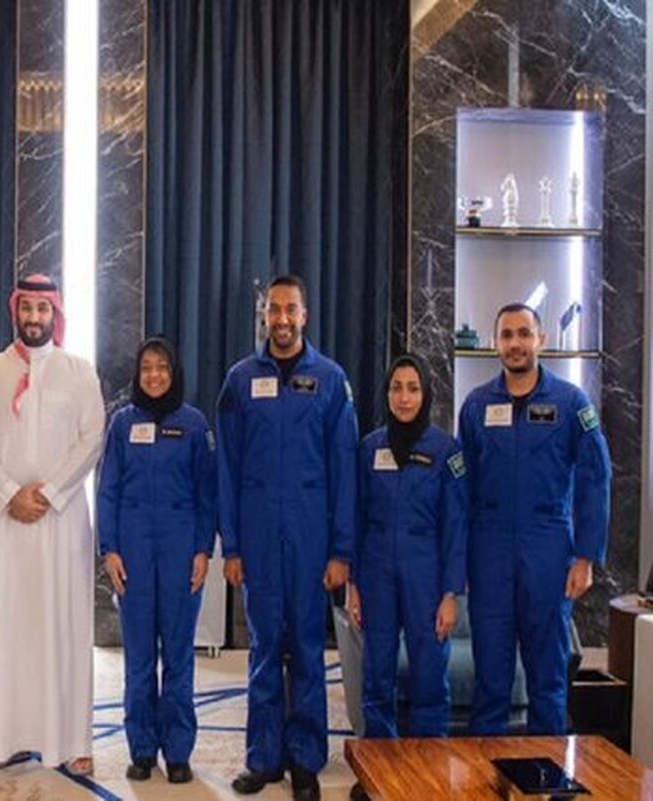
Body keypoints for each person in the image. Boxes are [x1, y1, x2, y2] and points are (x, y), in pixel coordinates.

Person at [216, 275, 357, 801]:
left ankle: (304, 761)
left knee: (306, 650)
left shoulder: (330, 380)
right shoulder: (240, 380)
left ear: (304, 316)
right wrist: (231, 545)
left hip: (310, 539)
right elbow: (226, 469)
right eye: (273, 309)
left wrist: (341, 550)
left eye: (290, 309)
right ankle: (263, 757)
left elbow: (345, 470)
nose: (281, 318)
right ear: (264, 316)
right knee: (263, 649)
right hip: (257, 538)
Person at [0, 273, 105, 776]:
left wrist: (47, 493)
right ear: (15, 311)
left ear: (55, 314)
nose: (34, 318)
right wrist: (9, 494)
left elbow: (93, 438)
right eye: (27, 308)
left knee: (66, 626)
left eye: (43, 309)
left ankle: (74, 740)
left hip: (62, 523)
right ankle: (4, 739)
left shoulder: (78, 371)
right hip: (7, 524)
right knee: (9, 625)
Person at [459, 303, 611, 735]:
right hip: (489, 553)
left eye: (524, 334)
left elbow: (596, 476)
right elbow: (461, 488)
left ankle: (547, 768)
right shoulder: (476, 406)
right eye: (507, 335)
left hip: (548, 550)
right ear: (496, 344)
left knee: (548, 678)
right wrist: (459, 561)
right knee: (491, 679)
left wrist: (586, 557)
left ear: (540, 340)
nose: (516, 344)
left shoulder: (571, 403)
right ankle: (488, 769)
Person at [97, 336, 216, 785]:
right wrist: (109, 549)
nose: (154, 375)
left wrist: (203, 549)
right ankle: (143, 749)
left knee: (179, 658)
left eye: (162, 367)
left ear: (174, 372)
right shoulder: (122, 424)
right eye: (146, 367)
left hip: (181, 552)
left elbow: (207, 494)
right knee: (140, 658)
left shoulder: (195, 425)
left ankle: (178, 751)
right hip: (133, 555)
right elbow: (108, 490)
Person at [347, 354, 467, 739]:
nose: (404, 398)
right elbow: (356, 518)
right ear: (387, 394)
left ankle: (427, 764)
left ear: (425, 394)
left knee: (429, 674)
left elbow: (456, 526)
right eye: (396, 388)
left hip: (426, 575)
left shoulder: (447, 450)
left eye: (413, 389)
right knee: (376, 674)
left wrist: (451, 594)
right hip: (376, 573)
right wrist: (353, 584)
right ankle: (380, 762)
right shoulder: (369, 449)